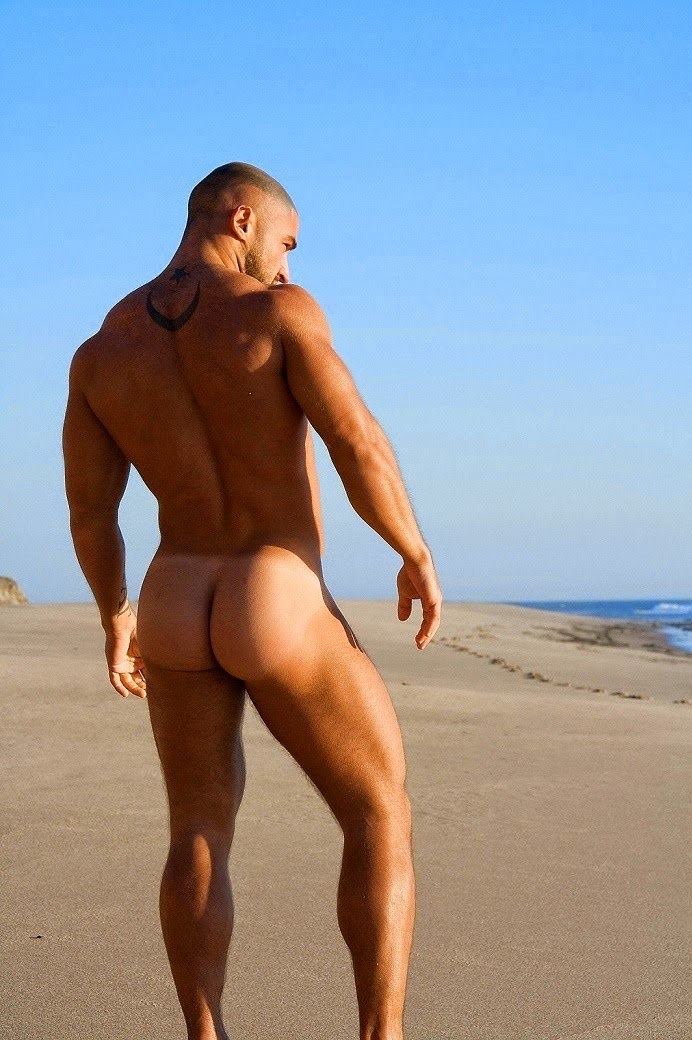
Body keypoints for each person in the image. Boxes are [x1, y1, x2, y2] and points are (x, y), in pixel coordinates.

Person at [62, 161, 442, 1040]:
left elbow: (90, 514)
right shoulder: (278, 313)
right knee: (378, 810)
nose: (287, 265)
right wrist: (411, 549)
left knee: (197, 828)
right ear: (242, 219)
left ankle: (205, 1034)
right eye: (286, 242)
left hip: (173, 593)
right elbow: (355, 440)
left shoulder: (100, 352)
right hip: (274, 586)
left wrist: (114, 615)